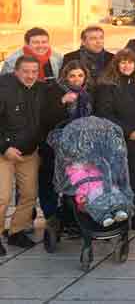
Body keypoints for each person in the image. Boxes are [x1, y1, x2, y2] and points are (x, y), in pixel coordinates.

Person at [96, 49, 135, 228]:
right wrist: (129, 132)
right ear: (116, 65)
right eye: (122, 62)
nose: (126, 66)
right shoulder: (108, 86)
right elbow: (105, 113)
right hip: (122, 140)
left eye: (130, 62)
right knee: (126, 178)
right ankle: (129, 215)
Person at [40, 60, 94, 231]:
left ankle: (74, 217)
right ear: (65, 77)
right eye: (72, 76)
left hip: (80, 146)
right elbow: (46, 117)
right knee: (54, 181)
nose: (76, 79)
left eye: (80, 75)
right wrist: (62, 102)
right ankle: (53, 216)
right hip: (56, 145)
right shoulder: (55, 91)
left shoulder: (86, 94)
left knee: (76, 181)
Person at [0, 56, 44, 255]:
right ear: (16, 71)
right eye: (26, 71)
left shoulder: (41, 89)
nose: (30, 76)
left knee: (29, 194)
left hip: (29, 153)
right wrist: (5, 147)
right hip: (5, 154)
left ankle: (16, 231)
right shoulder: (4, 89)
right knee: (3, 197)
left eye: (34, 72)